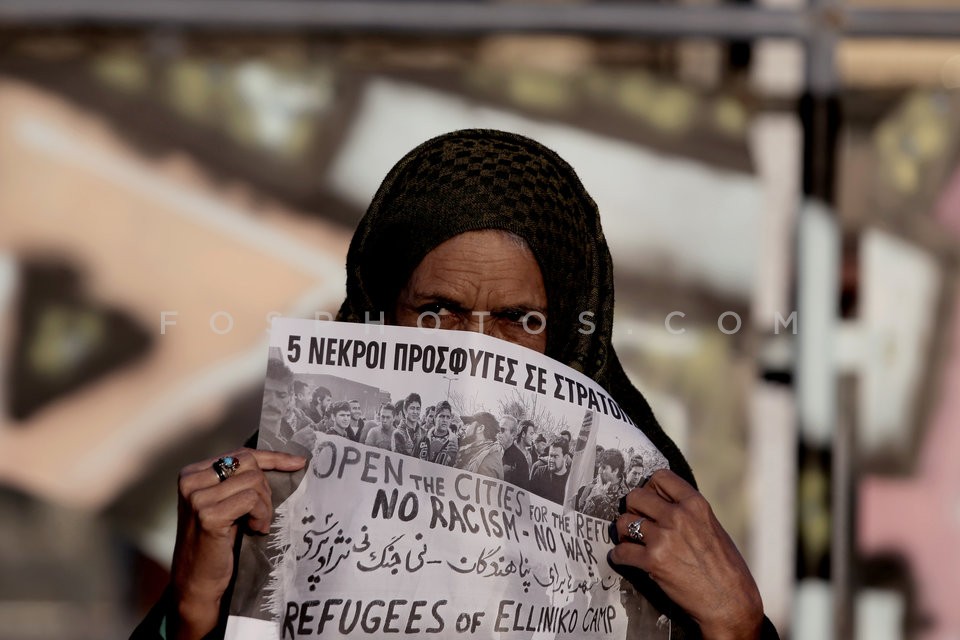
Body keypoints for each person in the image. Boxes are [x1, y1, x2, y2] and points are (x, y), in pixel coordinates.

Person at [135, 129, 775, 640]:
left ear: (569, 333)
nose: (473, 347)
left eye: (518, 319)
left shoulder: (644, 518)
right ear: (380, 313)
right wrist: (191, 613)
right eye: (436, 310)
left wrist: (735, 623)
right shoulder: (273, 492)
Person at [454, 412, 504, 480]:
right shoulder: (474, 452)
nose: (464, 427)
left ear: (480, 428)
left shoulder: (487, 460)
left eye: (469, 424)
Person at [415, 400, 458, 465]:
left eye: (448, 417)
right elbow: (413, 461)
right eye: (442, 416)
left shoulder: (454, 443)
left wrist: (455, 456)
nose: (445, 420)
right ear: (435, 418)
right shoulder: (423, 439)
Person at [529, 439, 570, 505]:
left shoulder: (571, 481)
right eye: (550, 455)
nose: (551, 460)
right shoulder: (540, 473)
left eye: (555, 456)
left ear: (565, 457)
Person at [501, 416, 531, 489]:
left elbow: (522, 492)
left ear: (513, 434)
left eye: (502, 430)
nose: (499, 433)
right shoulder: (491, 451)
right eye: (498, 429)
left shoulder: (520, 460)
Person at [391, 392, 423, 456]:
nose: (415, 412)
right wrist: (408, 451)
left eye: (418, 409)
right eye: (412, 408)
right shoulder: (398, 433)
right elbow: (397, 459)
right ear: (405, 410)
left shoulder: (424, 433)